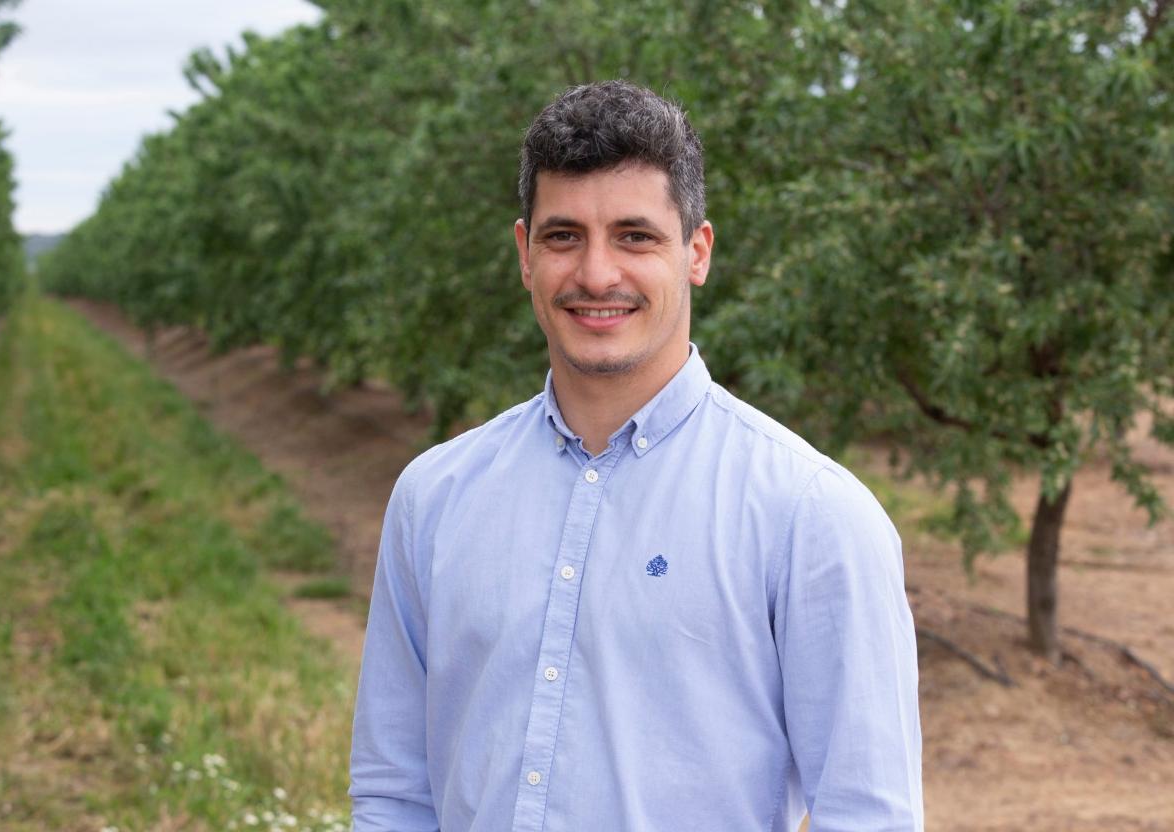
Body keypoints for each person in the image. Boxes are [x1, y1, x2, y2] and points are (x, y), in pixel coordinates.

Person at [348, 80, 923, 831]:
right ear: (524, 255)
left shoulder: (810, 516)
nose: (595, 274)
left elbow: (867, 815)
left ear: (697, 252)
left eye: (635, 236)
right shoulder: (434, 496)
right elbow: (395, 793)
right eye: (563, 237)